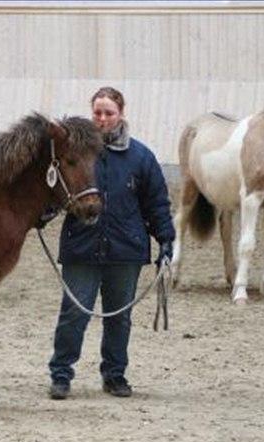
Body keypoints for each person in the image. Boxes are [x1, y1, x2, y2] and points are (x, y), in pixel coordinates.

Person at [47, 87, 175, 400]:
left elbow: (157, 202)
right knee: (74, 314)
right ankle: (61, 374)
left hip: (125, 249)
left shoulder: (141, 157)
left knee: (119, 316)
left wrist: (166, 239)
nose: (102, 119)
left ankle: (115, 374)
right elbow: (55, 190)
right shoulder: (74, 154)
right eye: (98, 113)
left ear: (121, 114)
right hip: (82, 246)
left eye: (109, 113)